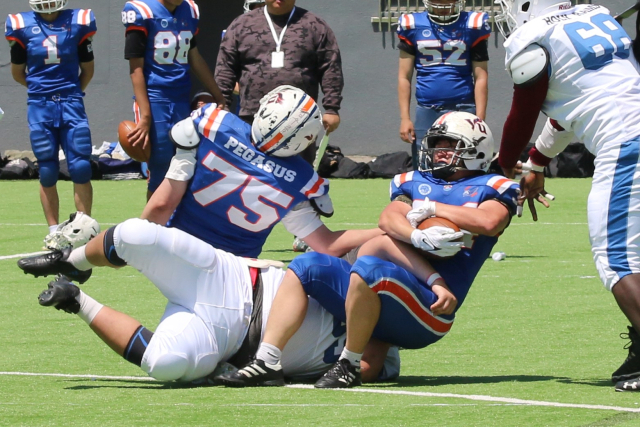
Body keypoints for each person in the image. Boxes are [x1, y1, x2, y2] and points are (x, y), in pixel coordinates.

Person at [217, 112, 519, 388]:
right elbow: (388, 219)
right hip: (386, 288)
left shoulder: (490, 186)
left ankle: (346, 364)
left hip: (431, 307)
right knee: (307, 264)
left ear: (475, 151)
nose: (438, 151)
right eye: (437, 143)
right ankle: (267, 360)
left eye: (449, 145)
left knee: (369, 268)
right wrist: (417, 235)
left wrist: (430, 208)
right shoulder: (414, 182)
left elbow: (490, 221)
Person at [24, 218, 399, 383]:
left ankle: (76, 299)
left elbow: (370, 362)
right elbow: (369, 244)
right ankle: (70, 262)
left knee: (165, 363)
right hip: (234, 280)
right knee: (134, 235)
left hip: (230, 344)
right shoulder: (368, 271)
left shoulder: (384, 351)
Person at [493, 1, 640, 392]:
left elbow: (523, 114)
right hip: (630, 127)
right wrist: (537, 163)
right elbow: (569, 106)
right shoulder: (598, 15)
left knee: (618, 262)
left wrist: (502, 168)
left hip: (627, 143)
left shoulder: (532, 37)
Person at [142, 85, 382, 258]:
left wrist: (133, 242)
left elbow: (163, 204)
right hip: (236, 270)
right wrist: (384, 232)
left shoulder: (213, 124)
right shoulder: (300, 180)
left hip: (178, 252)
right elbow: (328, 245)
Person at [5, 0, 96, 241]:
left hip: (71, 102)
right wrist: (41, 92)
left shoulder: (79, 21)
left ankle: (82, 230)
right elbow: (17, 73)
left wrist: (71, 93)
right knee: (47, 169)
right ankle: (54, 231)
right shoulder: (20, 25)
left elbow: (88, 69)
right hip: (40, 105)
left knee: (80, 166)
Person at [214, 0, 343, 165]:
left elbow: (330, 67)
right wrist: (221, 106)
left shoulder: (314, 25)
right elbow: (225, 68)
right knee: (254, 179)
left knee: (297, 180)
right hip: (252, 119)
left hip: (300, 120)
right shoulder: (242, 24)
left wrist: (332, 108)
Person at [121, 0, 226, 199]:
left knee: (185, 164)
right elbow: (136, 69)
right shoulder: (141, 11)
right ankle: (152, 226)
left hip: (181, 98)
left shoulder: (190, 9)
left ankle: (176, 223)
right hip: (154, 99)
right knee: (160, 166)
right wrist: (145, 116)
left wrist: (218, 95)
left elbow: (194, 57)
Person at [397, 0, 490, 170]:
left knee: (466, 162)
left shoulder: (472, 25)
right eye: (439, 6)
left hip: (463, 106)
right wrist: (405, 118)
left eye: (449, 6)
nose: (444, 11)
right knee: (424, 163)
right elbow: (404, 76)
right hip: (427, 108)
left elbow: (481, 76)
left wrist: (479, 118)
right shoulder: (412, 25)